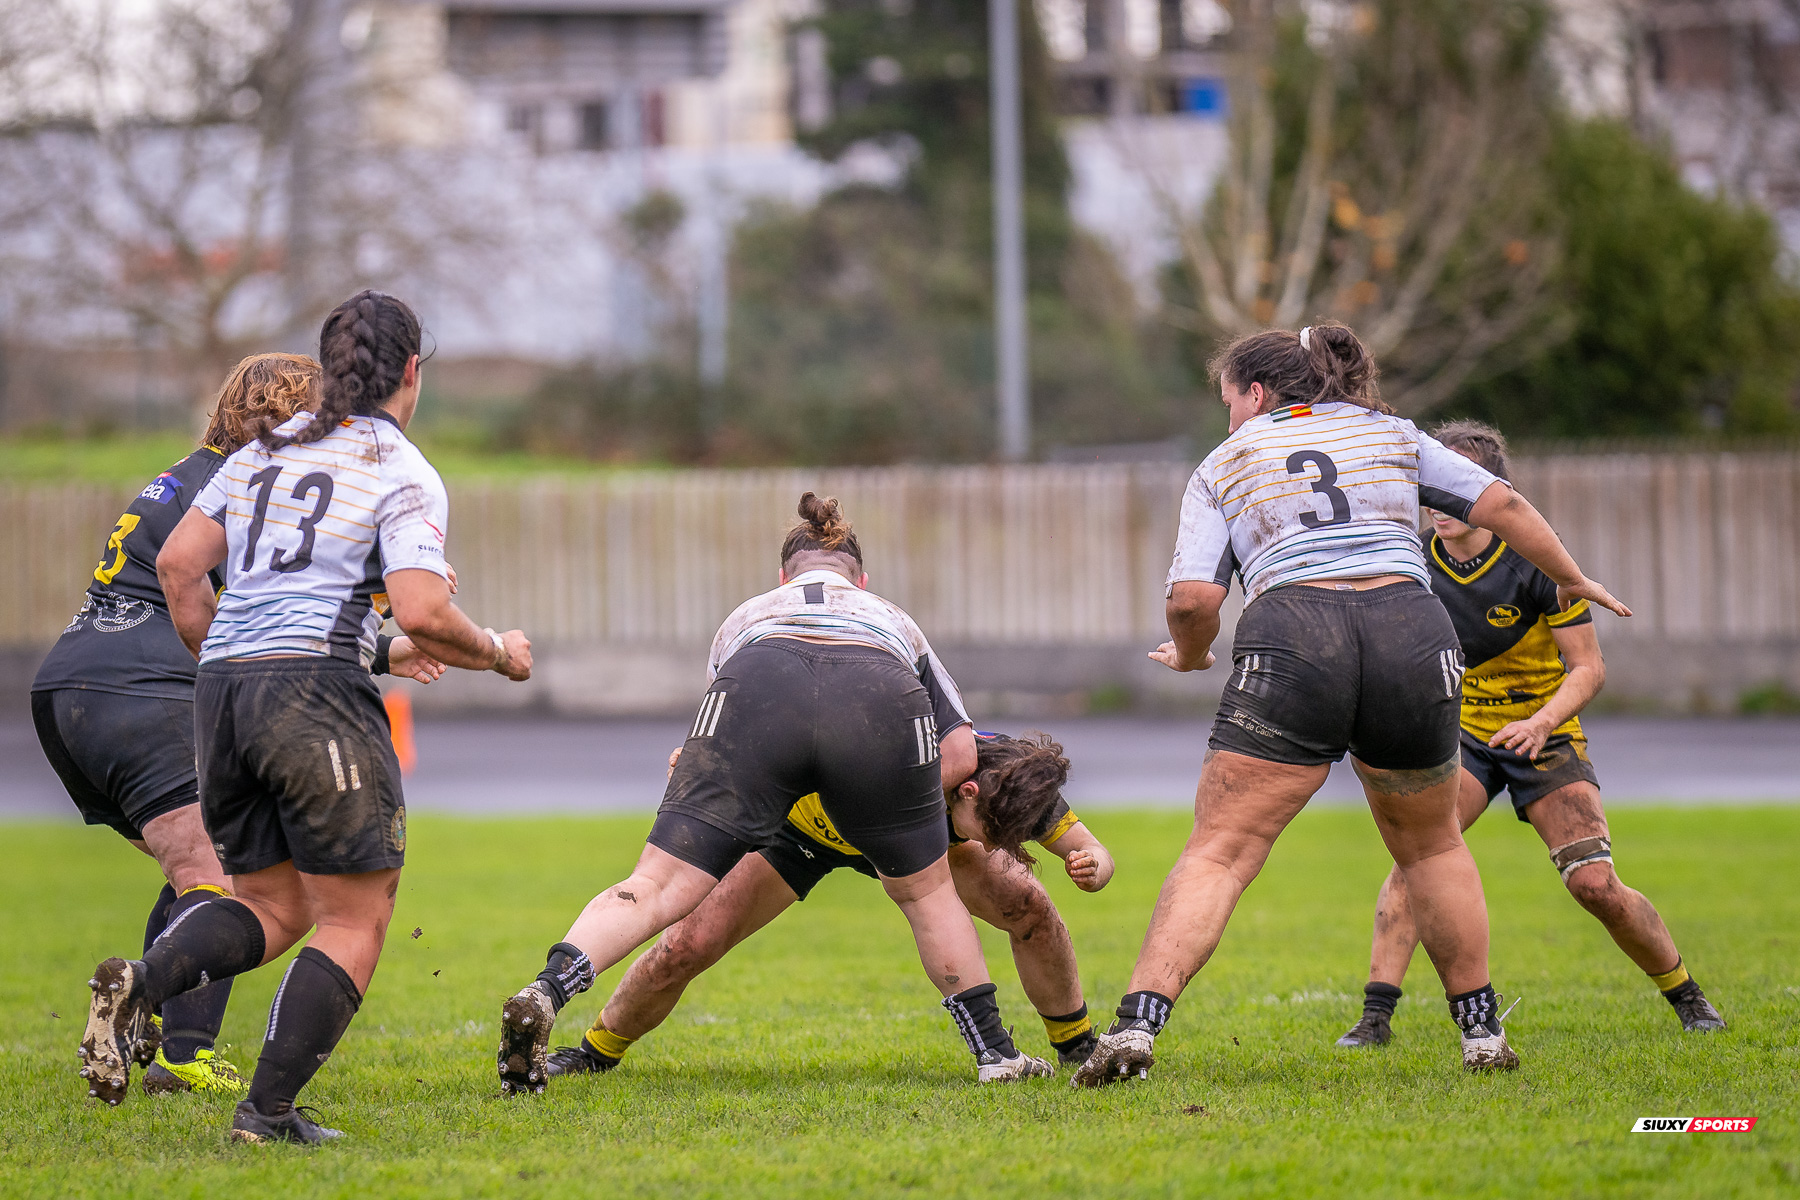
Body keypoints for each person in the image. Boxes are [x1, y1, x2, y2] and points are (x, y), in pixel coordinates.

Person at [1070, 321, 1632, 1088]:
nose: (1226, 416)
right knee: (1432, 847)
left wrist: (1194, 654)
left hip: (1295, 636)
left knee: (1221, 850)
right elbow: (1502, 504)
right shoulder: (1393, 433)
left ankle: (1137, 1027)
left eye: (1228, 399)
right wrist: (1575, 576)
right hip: (1410, 629)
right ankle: (1482, 1036)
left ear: (1258, 394)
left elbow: (1196, 597)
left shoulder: (1226, 460)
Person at [76, 290, 534, 1145]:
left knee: (272, 904)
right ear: (410, 371)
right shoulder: (400, 466)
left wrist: (226, 657)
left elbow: (179, 567)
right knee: (355, 916)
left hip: (222, 695)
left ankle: (143, 980)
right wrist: (500, 652)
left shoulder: (260, 452)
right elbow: (424, 610)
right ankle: (267, 1114)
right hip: (314, 691)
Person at [497, 492, 1056, 1092]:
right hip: (876, 690)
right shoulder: (893, 619)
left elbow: (719, 730)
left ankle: (547, 988)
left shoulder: (747, 616)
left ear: (782, 577)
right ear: (861, 582)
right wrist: (889, 808)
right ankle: (997, 1056)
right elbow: (962, 753)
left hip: (761, 681)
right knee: (927, 894)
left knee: (655, 887)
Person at [36, 352, 442, 1098]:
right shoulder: (252, 485)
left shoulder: (190, 473)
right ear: (290, 410)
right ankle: (180, 1054)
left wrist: (386, 647)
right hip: (143, 691)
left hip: (68, 690)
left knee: (199, 864)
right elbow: (269, 618)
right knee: (222, 878)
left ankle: (145, 1018)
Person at [1335, 421, 1723, 1048]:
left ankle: (1687, 995)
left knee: (1593, 883)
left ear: (1486, 491)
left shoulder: (1535, 561)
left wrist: (1541, 722)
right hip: (1461, 735)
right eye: (1429, 489)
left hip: (1546, 733)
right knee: (1419, 860)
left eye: (1450, 490)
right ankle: (1375, 1017)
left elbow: (1590, 669)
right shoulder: (1408, 563)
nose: (1437, 504)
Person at [544, 731, 1115, 1079]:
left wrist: (1091, 863)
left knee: (1029, 904)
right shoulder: (906, 748)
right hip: (803, 832)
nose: (997, 843)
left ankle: (1077, 1045)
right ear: (966, 790)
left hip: (922, 839)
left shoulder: (1016, 784)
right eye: (992, 832)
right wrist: (706, 767)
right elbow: (778, 743)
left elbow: (1089, 847)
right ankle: (594, 1054)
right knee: (688, 943)